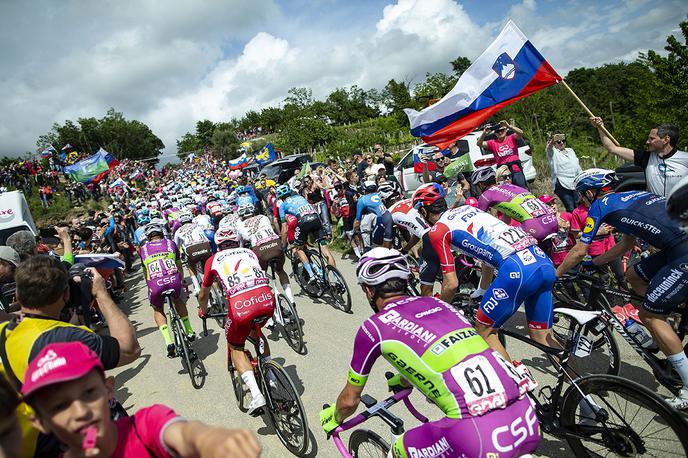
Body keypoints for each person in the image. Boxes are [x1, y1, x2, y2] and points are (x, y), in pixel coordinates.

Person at [319, 248, 539, 457]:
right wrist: (405, 380)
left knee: (399, 448)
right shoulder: (439, 304)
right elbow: (441, 354)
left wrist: (334, 417)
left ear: (369, 290)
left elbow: (349, 401)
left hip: (479, 436)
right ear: (406, 282)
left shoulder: (373, 327)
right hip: (527, 419)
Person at [556, 169, 688, 409]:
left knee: (650, 314)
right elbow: (626, 243)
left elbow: (578, 250)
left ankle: (687, 389)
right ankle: (659, 332)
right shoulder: (631, 197)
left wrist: (555, 275)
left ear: (590, 192)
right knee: (633, 276)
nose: (581, 200)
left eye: (581, 195)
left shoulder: (600, 206)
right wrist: (594, 263)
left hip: (682, 251)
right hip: (676, 246)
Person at [0, 256, 140, 457]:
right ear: (66, 294)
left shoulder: (6, 330)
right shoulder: (67, 336)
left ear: (18, 296)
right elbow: (129, 349)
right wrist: (101, 293)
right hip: (68, 443)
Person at [22, 342, 261, 458]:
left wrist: (213, 440)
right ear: (39, 421)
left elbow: (186, 434)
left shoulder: (145, 426)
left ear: (108, 390)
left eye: (88, 393)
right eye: (59, 405)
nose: (80, 411)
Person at [413, 184, 557, 361]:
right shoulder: (468, 208)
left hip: (516, 268)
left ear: (424, 213)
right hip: (542, 261)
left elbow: (451, 284)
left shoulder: (438, 231)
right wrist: (483, 289)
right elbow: (489, 253)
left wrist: (437, 311)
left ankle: (518, 385)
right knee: (542, 337)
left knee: (484, 332)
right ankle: (581, 382)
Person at [197, 229, 274, 415]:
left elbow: (203, 293)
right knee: (256, 332)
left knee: (235, 346)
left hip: (242, 305)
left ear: (218, 244)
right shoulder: (249, 252)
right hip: (266, 299)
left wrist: (204, 310)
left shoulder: (212, 260)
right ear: (236, 241)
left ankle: (256, 395)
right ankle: (271, 376)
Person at [591, 117, 688, 197]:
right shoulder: (646, 157)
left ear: (666, 139)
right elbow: (612, 148)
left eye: (652, 139)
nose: (647, 142)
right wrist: (600, 127)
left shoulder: (685, 158)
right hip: (656, 213)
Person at [139, 223, 196, 358]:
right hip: (173, 281)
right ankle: (189, 330)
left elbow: (145, 272)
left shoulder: (143, 249)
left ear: (148, 237)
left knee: (157, 308)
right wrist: (181, 280)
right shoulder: (170, 243)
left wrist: (151, 286)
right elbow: (179, 265)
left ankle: (168, 341)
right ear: (162, 233)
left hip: (155, 283)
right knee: (178, 299)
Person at [473, 166, 558, 247]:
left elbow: (478, 220)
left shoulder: (486, 195)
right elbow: (506, 220)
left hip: (534, 227)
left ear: (481, 184)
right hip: (552, 221)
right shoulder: (510, 187)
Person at [235, 202, 295, 305]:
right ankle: (291, 299)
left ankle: (270, 302)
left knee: (261, 277)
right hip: (275, 244)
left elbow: (240, 247)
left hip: (259, 249)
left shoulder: (240, 225)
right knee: (280, 271)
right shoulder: (263, 217)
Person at [277, 184, 336, 274]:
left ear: (280, 198)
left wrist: (284, 245)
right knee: (324, 248)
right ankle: (336, 276)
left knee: (298, 248)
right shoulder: (300, 197)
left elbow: (285, 228)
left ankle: (311, 274)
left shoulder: (282, 206)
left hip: (303, 221)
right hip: (315, 218)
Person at [477, 120, 529, 189]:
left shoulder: (511, 138)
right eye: (497, 131)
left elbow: (520, 133)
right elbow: (479, 144)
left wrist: (509, 126)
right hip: (503, 172)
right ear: (495, 133)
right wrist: (484, 133)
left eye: (502, 130)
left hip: (515, 169)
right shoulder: (492, 143)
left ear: (506, 130)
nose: (500, 132)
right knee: (507, 192)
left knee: (521, 188)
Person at [546, 133, 582, 212]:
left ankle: (580, 222)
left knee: (579, 205)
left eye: (563, 141)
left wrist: (582, 177)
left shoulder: (570, 150)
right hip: (562, 183)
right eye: (558, 142)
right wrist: (552, 141)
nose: (561, 143)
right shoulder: (553, 152)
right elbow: (549, 148)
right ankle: (573, 222)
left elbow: (577, 166)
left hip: (575, 182)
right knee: (570, 207)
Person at [354, 181, 393, 249]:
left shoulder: (362, 200)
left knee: (376, 246)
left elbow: (357, 221)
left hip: (382, 220)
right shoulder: (379, 194)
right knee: (389, 246)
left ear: (364, 190)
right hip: (390, 216)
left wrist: (354, 231)